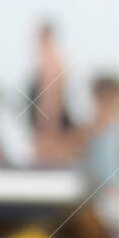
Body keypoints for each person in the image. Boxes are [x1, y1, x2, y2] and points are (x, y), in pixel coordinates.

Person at [27, 20, 78, 161]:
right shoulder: (51, 61)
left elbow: (51, 102)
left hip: (51, 130)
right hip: (52, 129)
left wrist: (48, 132)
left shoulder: (51, 63)